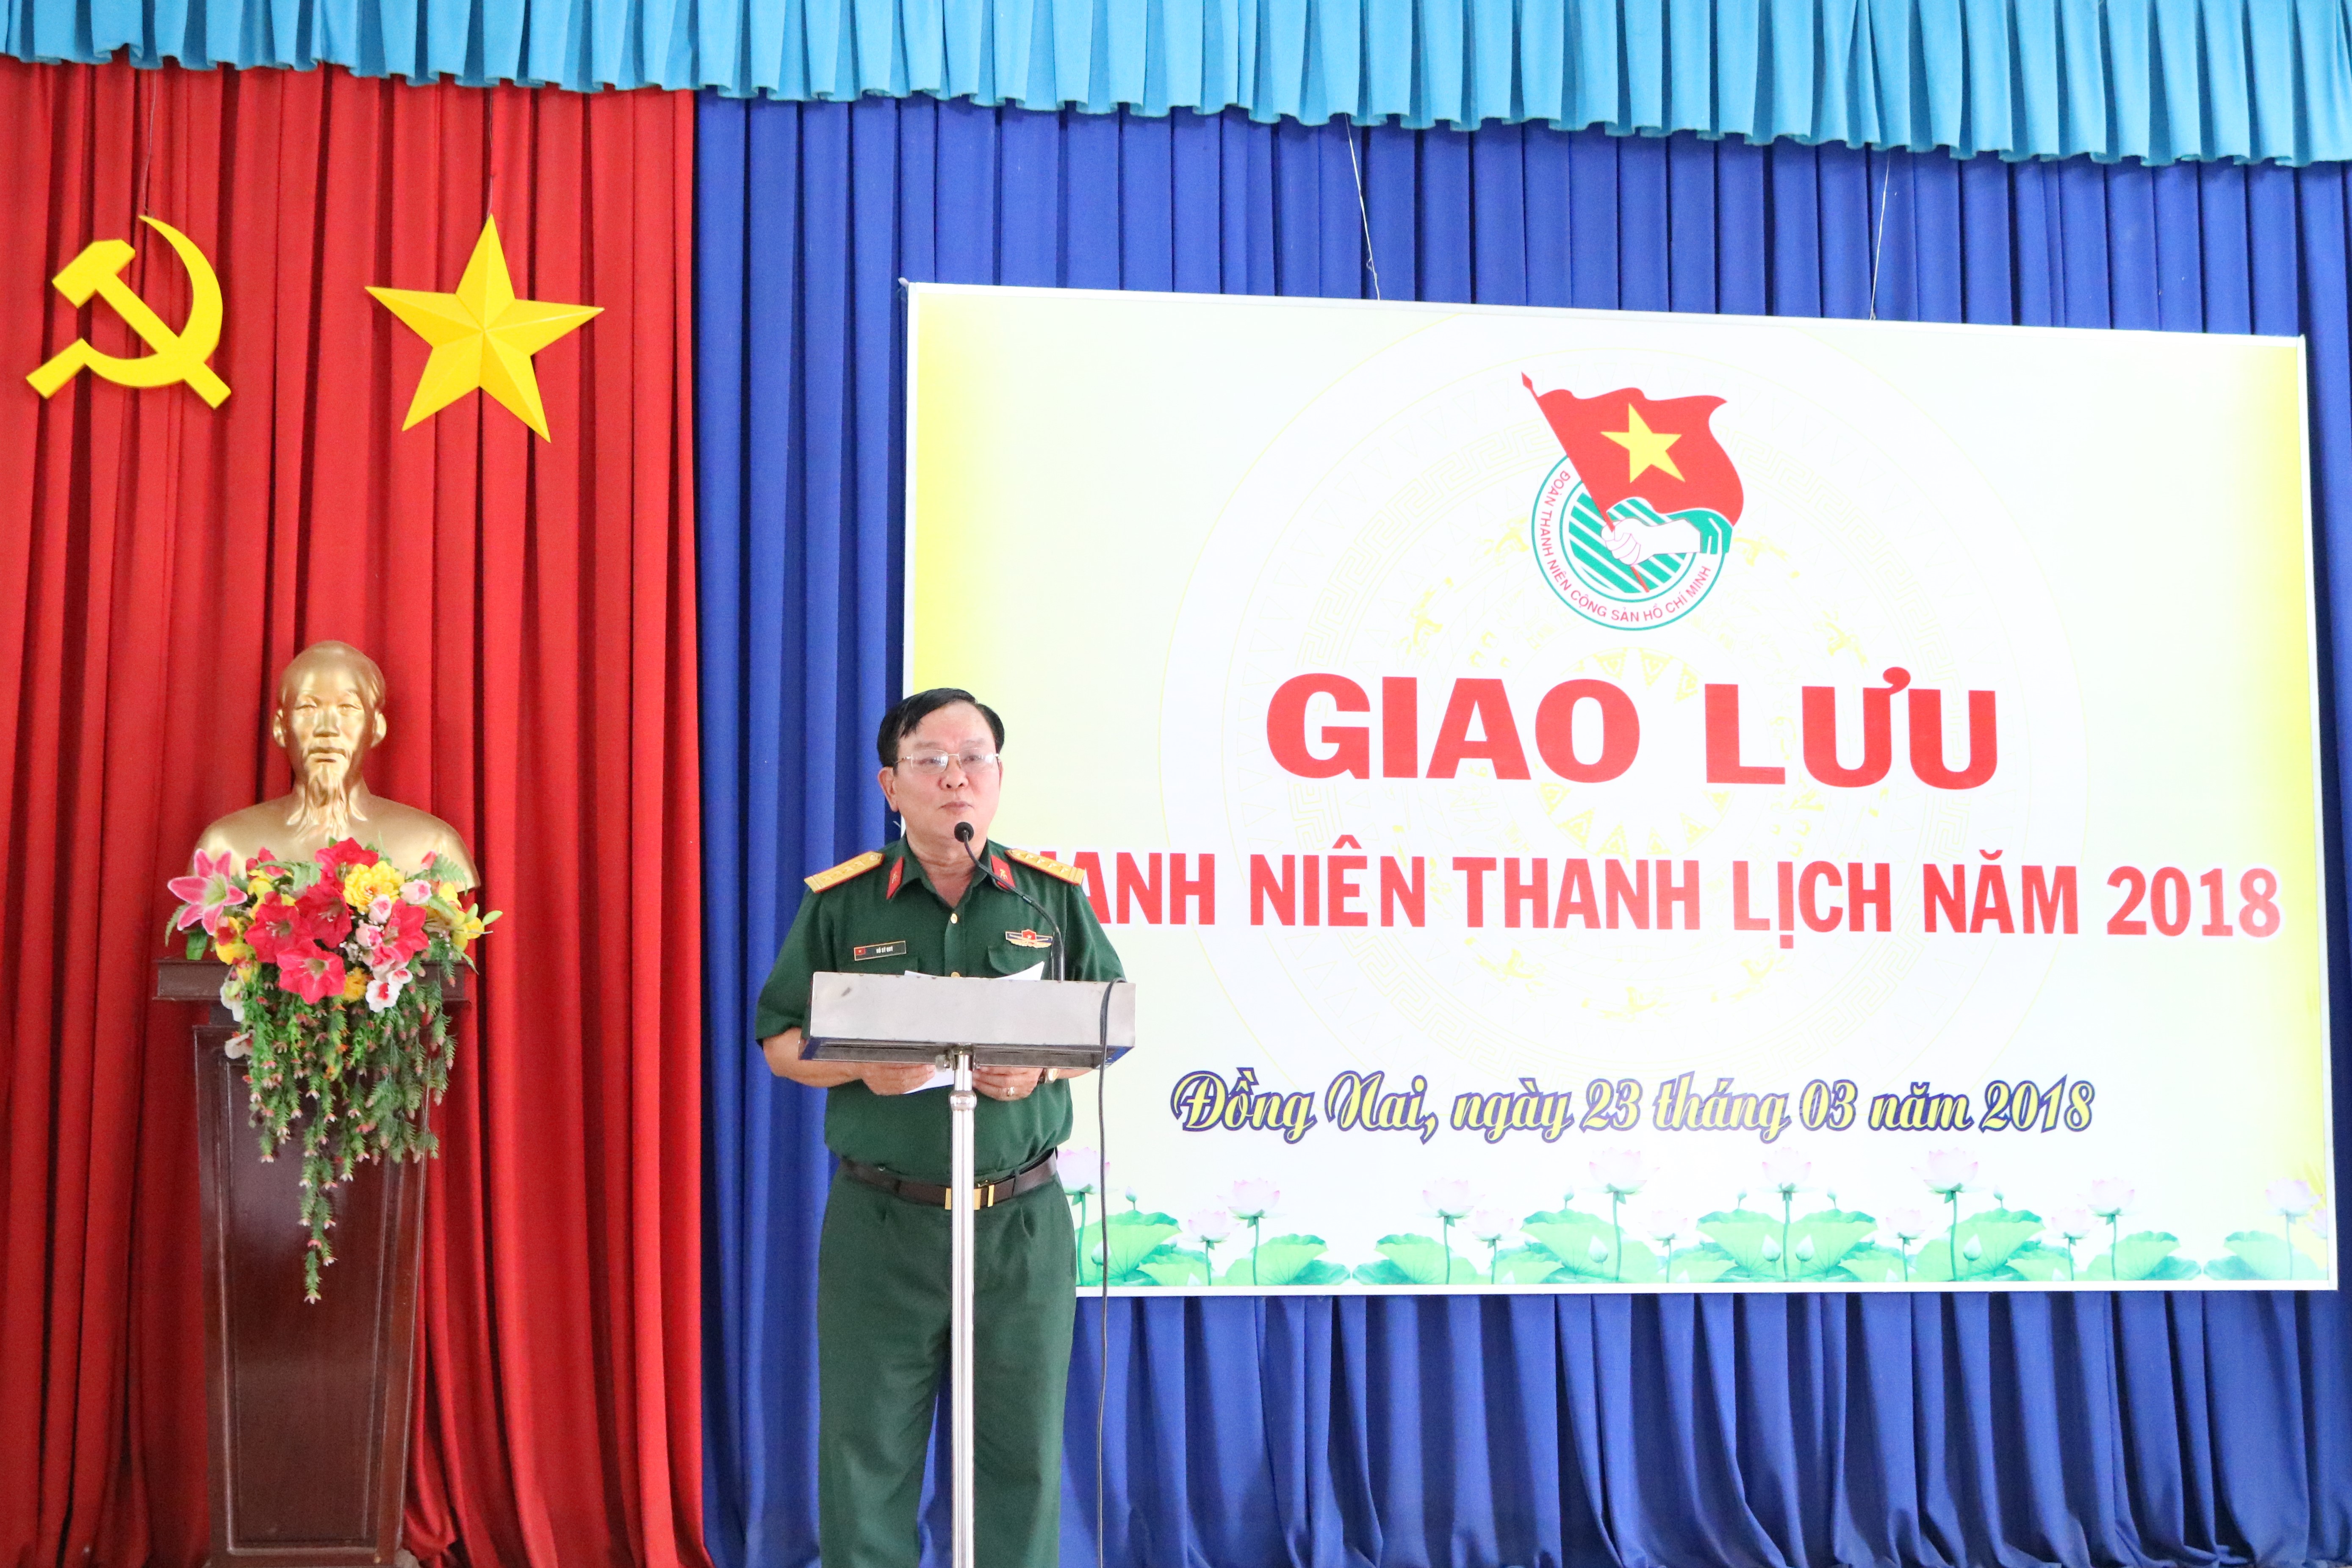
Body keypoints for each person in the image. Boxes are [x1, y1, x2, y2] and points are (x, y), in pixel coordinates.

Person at [755, 687, 1123, 1568]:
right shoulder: (845, 903)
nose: (956, 777)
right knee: (867, 1449)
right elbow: (779, 1041)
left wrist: (1040, 1068)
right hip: (883, 1221)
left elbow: (1106, 1026)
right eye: (931, 760)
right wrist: (860, 1066)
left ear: (997, 777)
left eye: (974, 758)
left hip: (1018, 1223)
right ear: (891, 783)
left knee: (1020, 1452)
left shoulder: (1047, 899)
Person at [196, 640, 478, 886]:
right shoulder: (225, 847)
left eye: (347, 708)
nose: (327, 728)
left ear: (376, 727)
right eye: (308, 708)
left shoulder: (433, 846)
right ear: (281, 728)